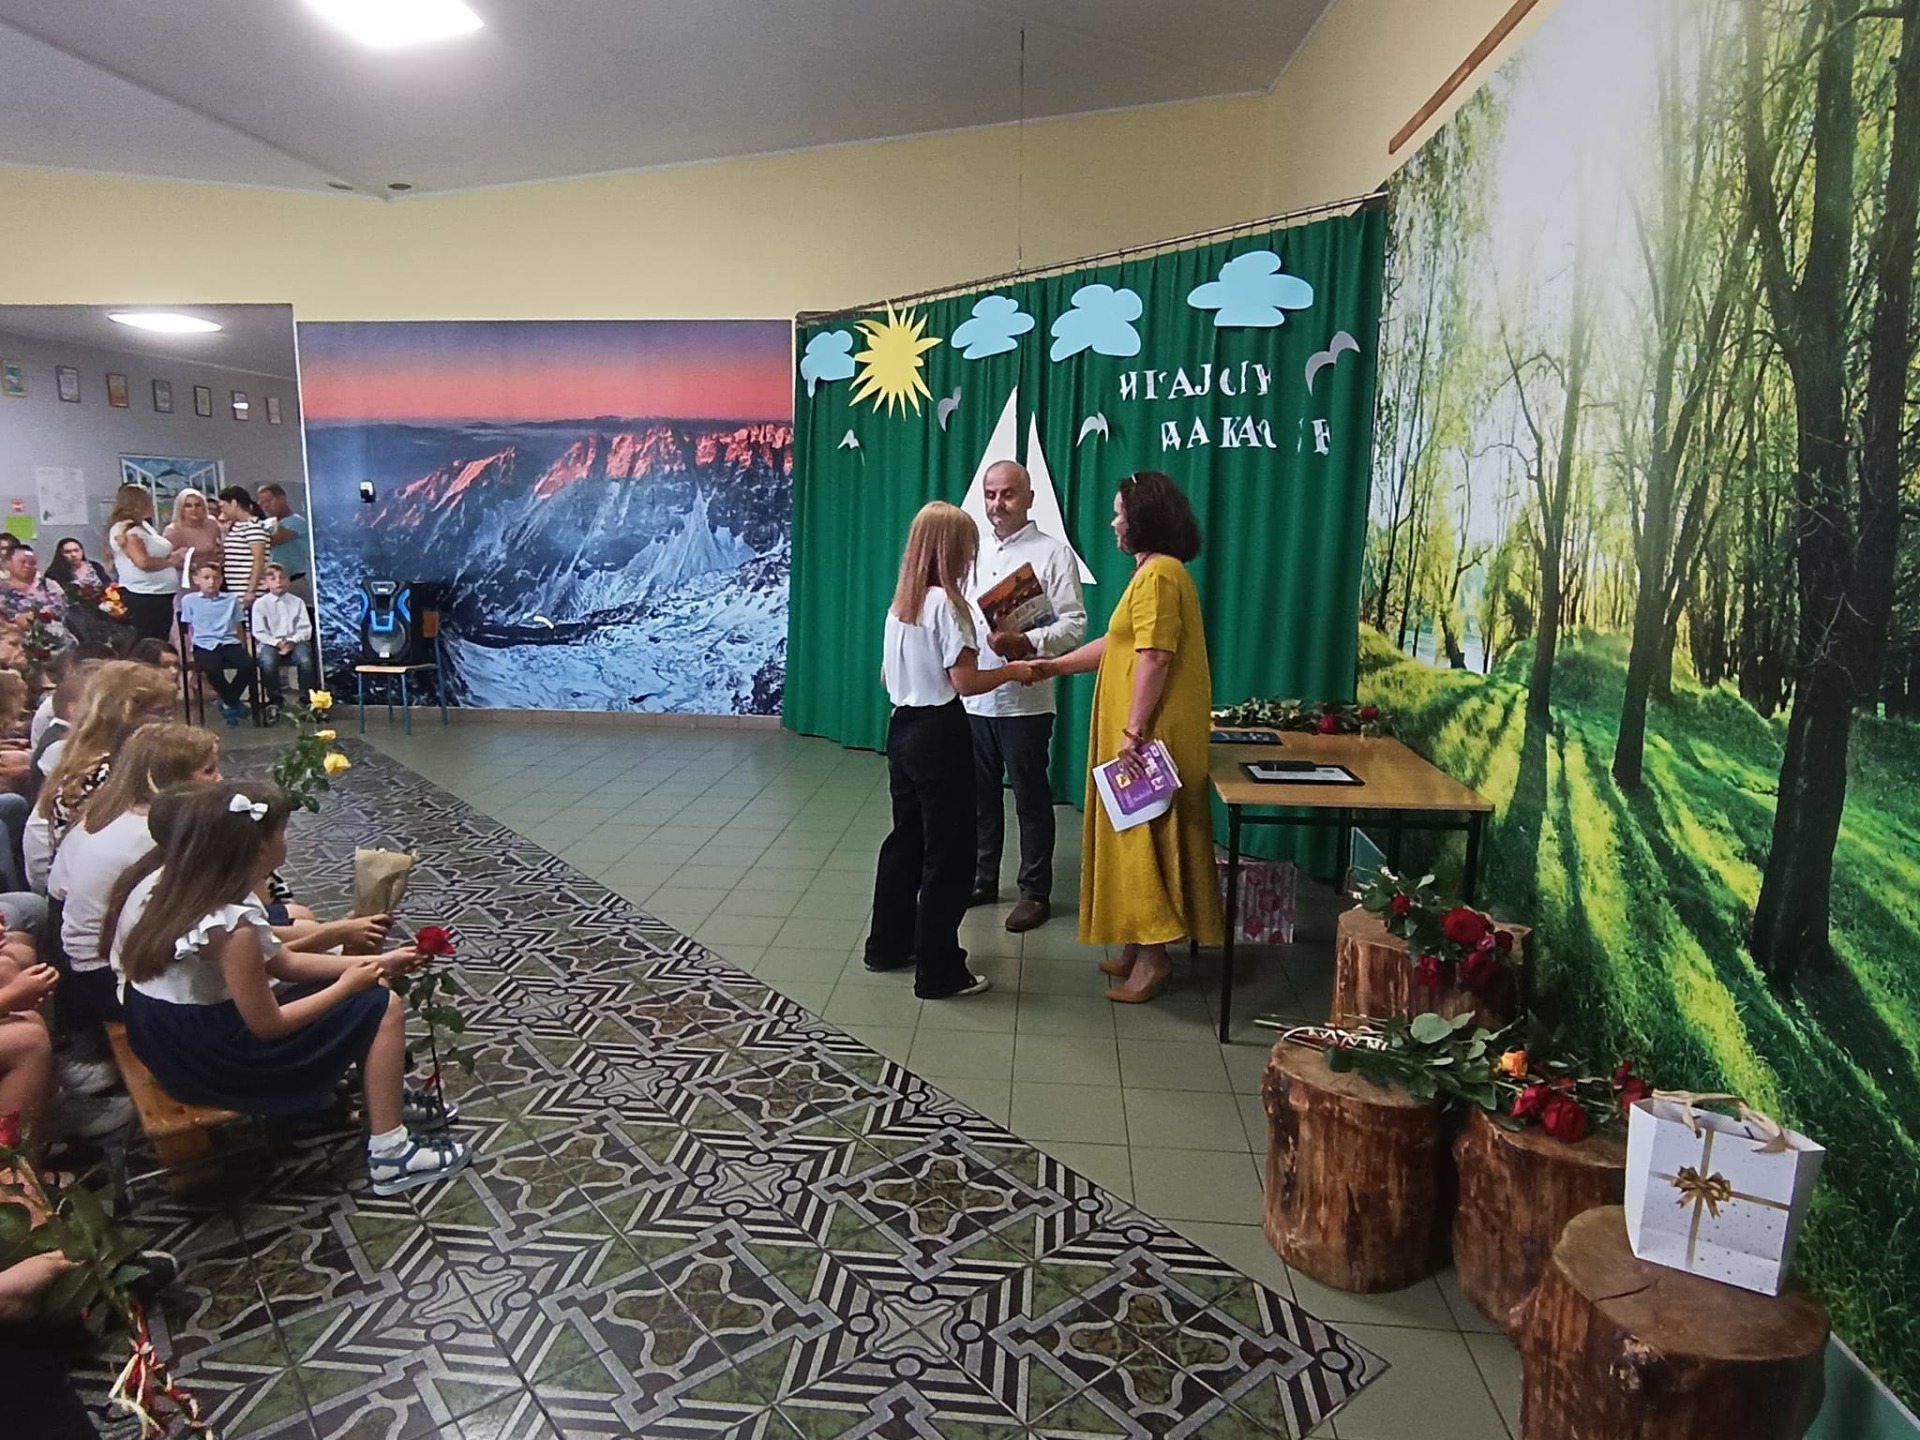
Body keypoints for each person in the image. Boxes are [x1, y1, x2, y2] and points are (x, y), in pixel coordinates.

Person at [105, 781, 473, 1195]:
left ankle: (383, 1102)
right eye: (281, 831)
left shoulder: (189, 885)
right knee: (379, 1005)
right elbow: (270, 1025)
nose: (287, 838)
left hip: (171, 1036)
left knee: (368, 988)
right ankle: (391, 1154)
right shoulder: (232, 927)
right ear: (260, 848)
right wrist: (349, 983)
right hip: (209, 1058)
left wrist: (377, 963)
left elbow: (285, 962)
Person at [1032, 472, 1224, 1003]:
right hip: (1140, 728)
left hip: (1151, 732)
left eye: (1120, 513)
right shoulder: (1152, 572)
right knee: (1132, 831)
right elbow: (1118, 644)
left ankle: (1155, 958)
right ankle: (1139, 944)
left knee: (1146, 835)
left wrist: (1134, 731)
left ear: (1143, 519)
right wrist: (1053, 667)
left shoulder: (1160, 575)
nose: (1114, 522)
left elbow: (1155, 656)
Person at [865, 502, 1036, 1000]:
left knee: (906, 841)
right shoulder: (949, 605)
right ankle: (939, 969)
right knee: (950, 854)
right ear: (954, 550)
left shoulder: (900, 606)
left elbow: (886, 676)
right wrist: (1011, 671)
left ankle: (887, 945)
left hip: (902, 729)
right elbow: (964, 682)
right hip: (940, 733)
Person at [964, 460, 1087, 933]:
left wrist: (1027, 642)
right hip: (976, 696)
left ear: (1030, 498)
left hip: (1026, 703)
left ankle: (1035, 892)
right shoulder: (972, 552)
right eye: (990, 494)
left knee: (1031, 799)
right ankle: (982, 878)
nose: (998, 504)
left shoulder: (1053, 553)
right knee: (980, 797)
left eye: (1008, 494)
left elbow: (1075, 625)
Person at [50, 723, 219, 1033]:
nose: (220, 779)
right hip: (106, 974)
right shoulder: (154, 832)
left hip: (89, 953)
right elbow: (209, 910)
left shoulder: (116, 810)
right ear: (173, 780)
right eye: (208, 771)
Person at [29, 660, 179, 891]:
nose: (169, 723)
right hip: (90, 886)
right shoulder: (105, 773)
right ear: (126, 715)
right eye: (160, 713)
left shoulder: (79, 757)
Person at [178, 561, 255, 726]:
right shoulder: (189, 600)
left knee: (248, 665)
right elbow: (188, 627)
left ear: (221, 580)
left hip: (229, 641)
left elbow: (238, 624)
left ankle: (228, 701)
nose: (211, 582)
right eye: (206, 578)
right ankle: (233, 703)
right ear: (196, 580)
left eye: (215, 578)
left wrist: (242, 645)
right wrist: (191, 648)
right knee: (213, 669)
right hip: (204, 643)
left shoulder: (231, 599)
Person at [104, 484, 179, 643]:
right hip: (144, 595)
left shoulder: (143, 525)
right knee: (149, 642)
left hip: (160, 593)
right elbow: (142, 561)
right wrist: (171, 561)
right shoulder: (126, 529)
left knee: (161, 639)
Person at [250, 563, 317, 707]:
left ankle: (307, 698)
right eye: (273, 578)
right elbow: (259, 631)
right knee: (268, 662)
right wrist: (277, 643)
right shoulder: (260, 604)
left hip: (295, 641)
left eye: (282, 577)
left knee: (305, 660)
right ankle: (275, 699)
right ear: (265, 583)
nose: (278, 581)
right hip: (270, 642)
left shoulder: (298, 602)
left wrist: (293, 641)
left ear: (288, 580)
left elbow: (305, 628)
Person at [0, 546, 69, 646]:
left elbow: (61, 608)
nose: (27, 566)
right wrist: (15, 621)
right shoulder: (2, 589)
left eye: (32, 563)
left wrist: (37, 616)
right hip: (14, 642)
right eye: (23, 562)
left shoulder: (49, 585)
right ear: (7, 563)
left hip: (55, 639)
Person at [216, 487, 270, 612]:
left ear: (234, 503)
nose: (222, 510)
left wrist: (251, 590)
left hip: (248, 588)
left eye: (223, 506)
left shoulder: (253, 526)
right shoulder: (236, 526)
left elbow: (259, 558)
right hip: (236, 588)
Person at [256, 484, 310, 596]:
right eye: (262, 503)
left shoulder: (296, 521)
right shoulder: (265, 523)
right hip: (271, 582)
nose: (265, 506)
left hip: (293, 581)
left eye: (268, 501)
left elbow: (274, 540)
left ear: (282, 499)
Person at [161, 489, 222, 586]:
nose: (194, 509)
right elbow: (167, 559)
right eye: (188, 506)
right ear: (181, 509)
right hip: (185, 579)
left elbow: (218, 548)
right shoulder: (173, 530)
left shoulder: (211, 523)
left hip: (211, 578)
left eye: (198, 505)